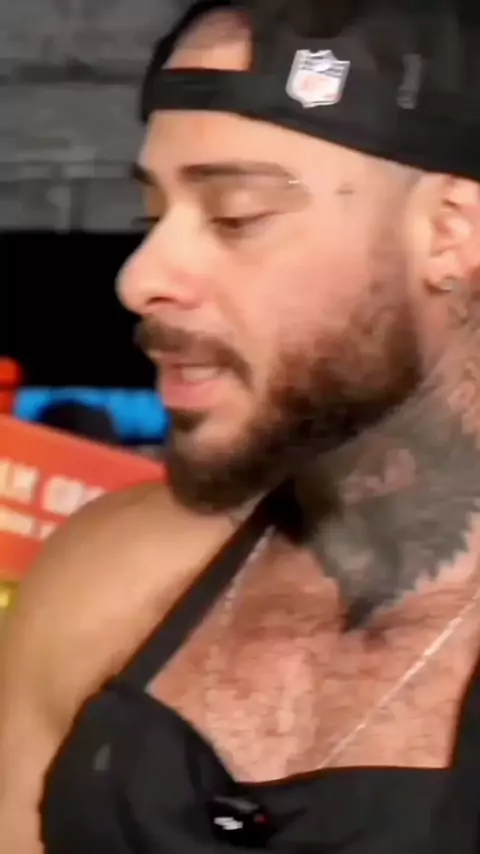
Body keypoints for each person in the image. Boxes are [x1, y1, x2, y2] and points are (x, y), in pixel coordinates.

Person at [2, 1, 480, 850]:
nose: (140, 278)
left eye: (235, 216)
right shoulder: (105, 580)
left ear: (452, 233)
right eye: (153, 216)